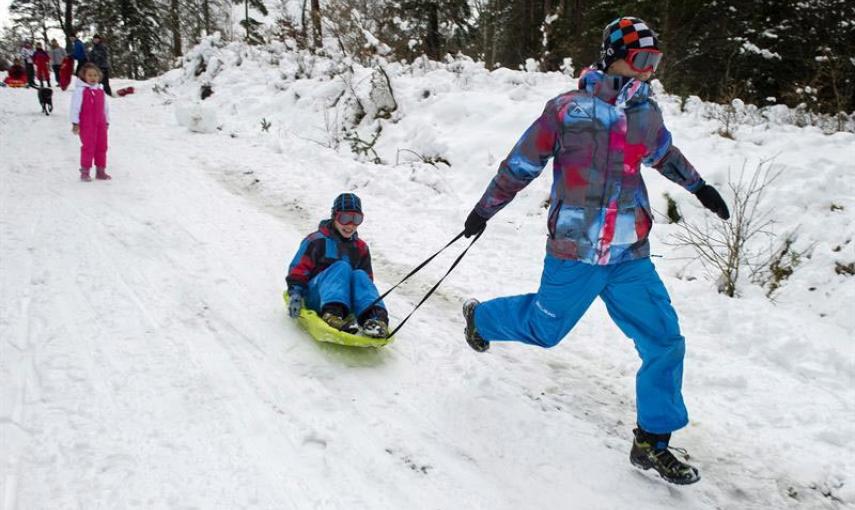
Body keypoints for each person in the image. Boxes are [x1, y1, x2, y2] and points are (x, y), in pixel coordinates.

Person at [459, 17, 730, 486]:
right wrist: (484, 210)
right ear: (613, 56)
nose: (649, 70)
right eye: (641, 58)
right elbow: (522, 164)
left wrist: (700, 187)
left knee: (665, 341)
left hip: (630, 254)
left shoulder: (646, 112)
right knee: (545, 331)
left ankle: (652, 440)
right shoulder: (567, 110)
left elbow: (664, 153)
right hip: (575, 251)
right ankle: (481, 319)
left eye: (655, 61)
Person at [285, 193, 390, 338]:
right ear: (335, 216)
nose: (350, 225)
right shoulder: (316, 241)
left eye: (356, 219)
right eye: (345, 218)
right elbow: (298, 271)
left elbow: (366, 284)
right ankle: (331, 315)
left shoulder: (361, 247)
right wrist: (295, 294)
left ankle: (375, 320)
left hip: (345, 301)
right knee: (342, 266)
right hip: (317, 296)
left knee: (360, 274)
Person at [70, 63, 111, 181]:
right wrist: (75, 123)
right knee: (88, 146)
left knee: (102, 146)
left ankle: (100, 171)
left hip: (101, 123)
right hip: (87, 123)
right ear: (84, 76)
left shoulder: (100, 90)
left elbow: (105, 107)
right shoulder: (80, 91)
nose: (93, 78)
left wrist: (107, 121)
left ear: (99, 77)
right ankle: (85, 171)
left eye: (95, 75)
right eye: (90, 75)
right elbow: (75, 107)